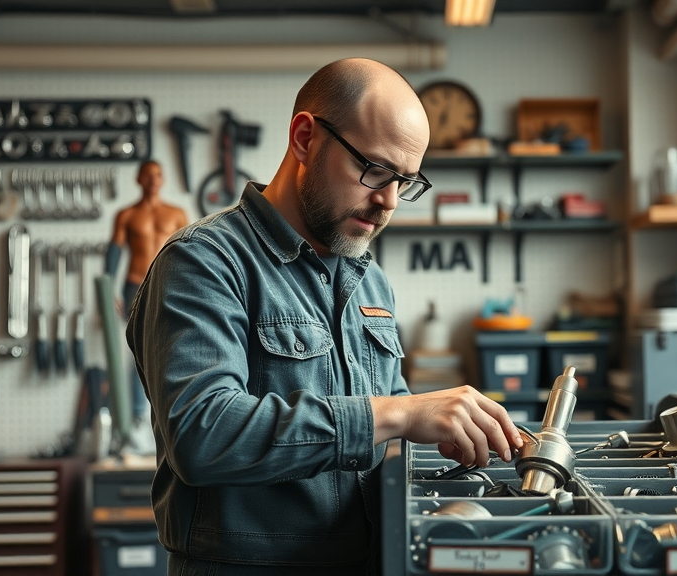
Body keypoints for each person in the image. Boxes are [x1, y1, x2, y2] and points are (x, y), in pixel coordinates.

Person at [126, 58, 523, 576]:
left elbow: (382, 403)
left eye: (405, 182)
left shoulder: (367, 278)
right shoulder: (203, 262)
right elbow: (203, 434)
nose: (388, 201)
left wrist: (438, 426)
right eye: (375, 170)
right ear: (305, 138)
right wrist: (397, 415)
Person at [107, 159, 189, 426]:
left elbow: (188, 254)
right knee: (141, 351)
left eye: (159, 175)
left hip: (167, 284)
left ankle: (168, 413)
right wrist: (108, 290)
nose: (154, 180)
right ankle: (138, 416)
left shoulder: (176, 214)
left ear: (163, 180)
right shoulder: (127, 215)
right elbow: (113, 256)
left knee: (172, 348)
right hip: (134, 285)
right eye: (148, 175)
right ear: (139, 180)